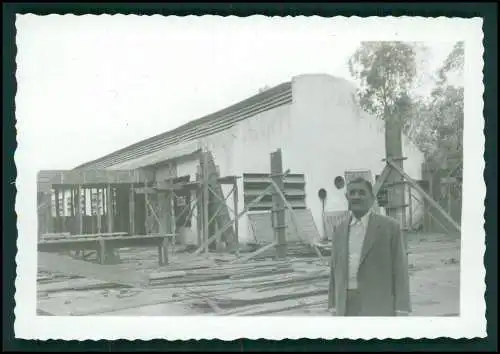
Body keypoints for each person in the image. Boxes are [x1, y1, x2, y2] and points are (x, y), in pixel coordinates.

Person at [328, 177, 411, 316]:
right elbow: (334, 269)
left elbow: (400, 269)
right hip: (346, 306)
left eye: (361, 192)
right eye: (352, 193)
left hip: (377, 305)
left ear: (372, 198)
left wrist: (401, 308)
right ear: (346, 197)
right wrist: (333, 305)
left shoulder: (390, 227)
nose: (356, 197)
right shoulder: (339, 229)